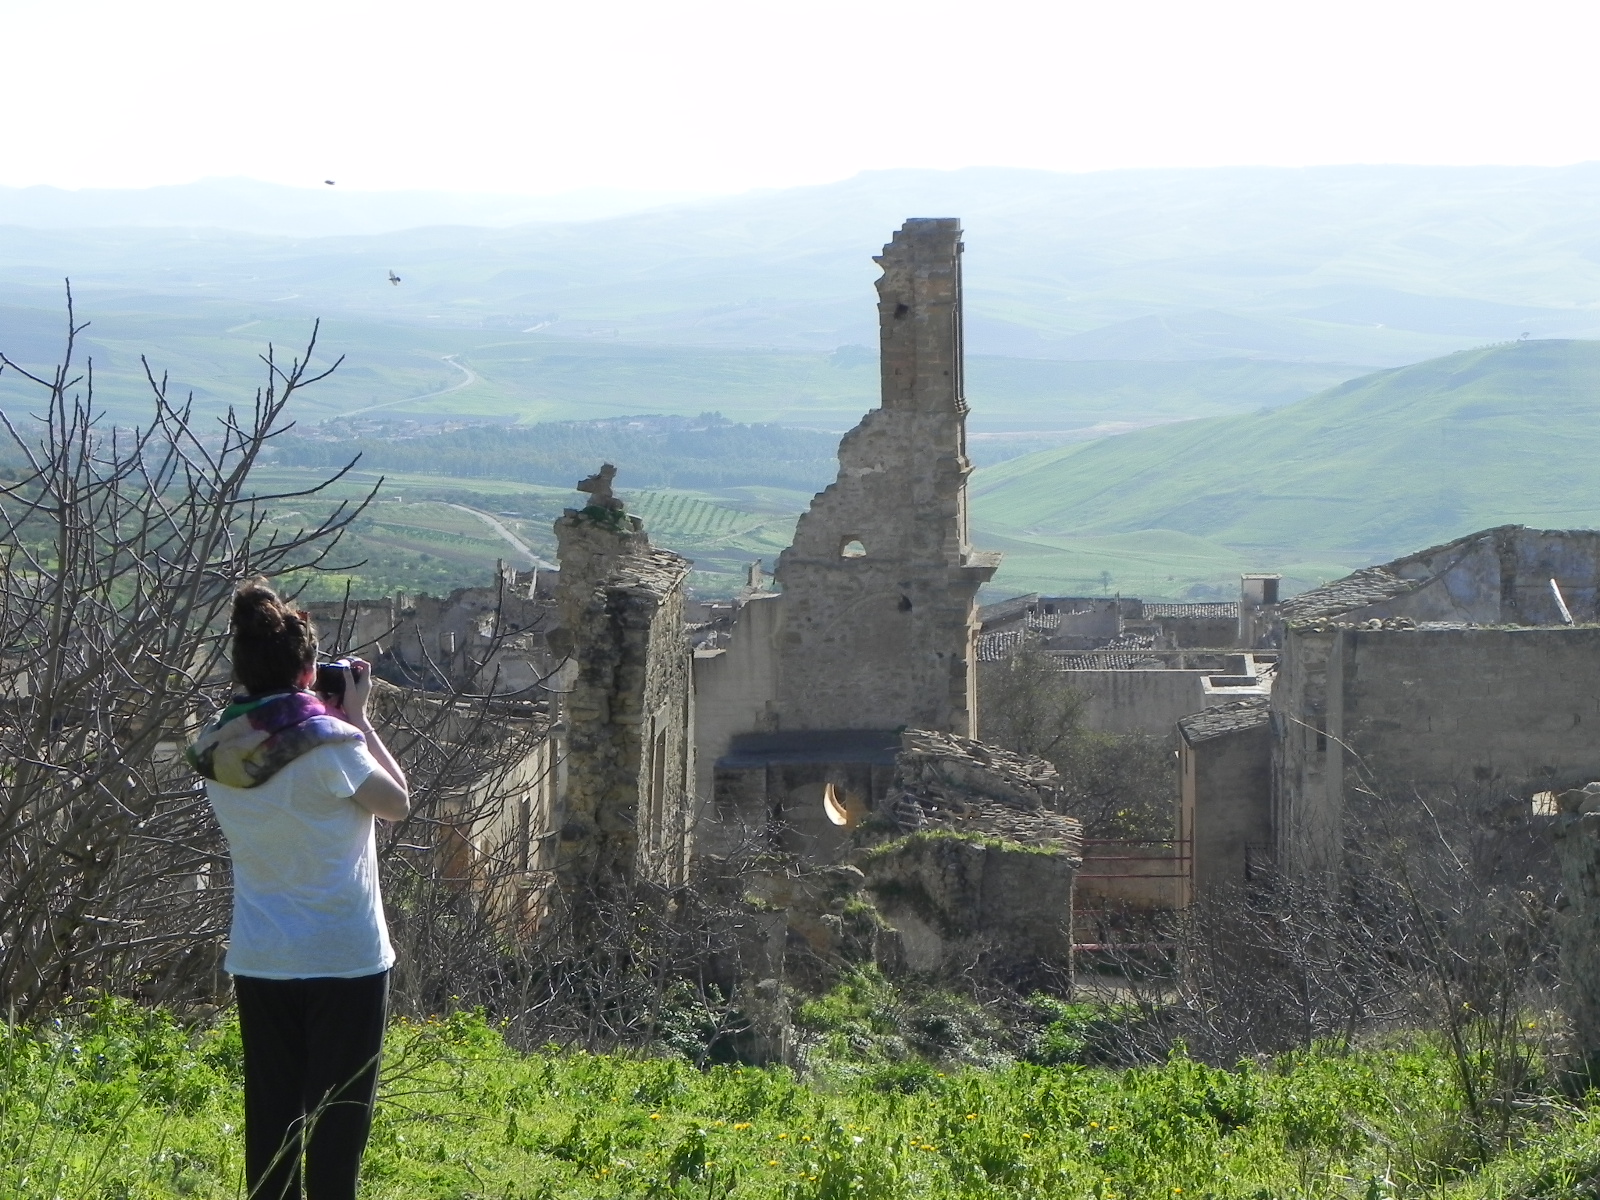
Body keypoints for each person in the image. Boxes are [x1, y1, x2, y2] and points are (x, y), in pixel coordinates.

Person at [187, 581, 409, 1200]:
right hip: (345, 953)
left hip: (262, 954)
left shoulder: (218, 751)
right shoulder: (335, 748)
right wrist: (359, 719)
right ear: (310, 673)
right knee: (339, 1123)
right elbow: (398, 804)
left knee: (272, 1121)